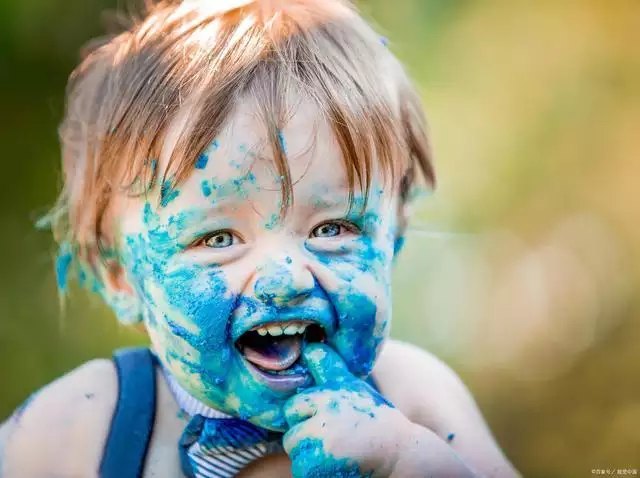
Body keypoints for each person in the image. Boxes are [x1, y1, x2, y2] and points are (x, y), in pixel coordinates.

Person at [0, 0, 519, 476]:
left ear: (394, 238)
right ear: (120, 276)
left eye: (332, 229)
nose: (285, 277)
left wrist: (409, 458)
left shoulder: (418, 398)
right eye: (219, 237)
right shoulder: (81, 426)